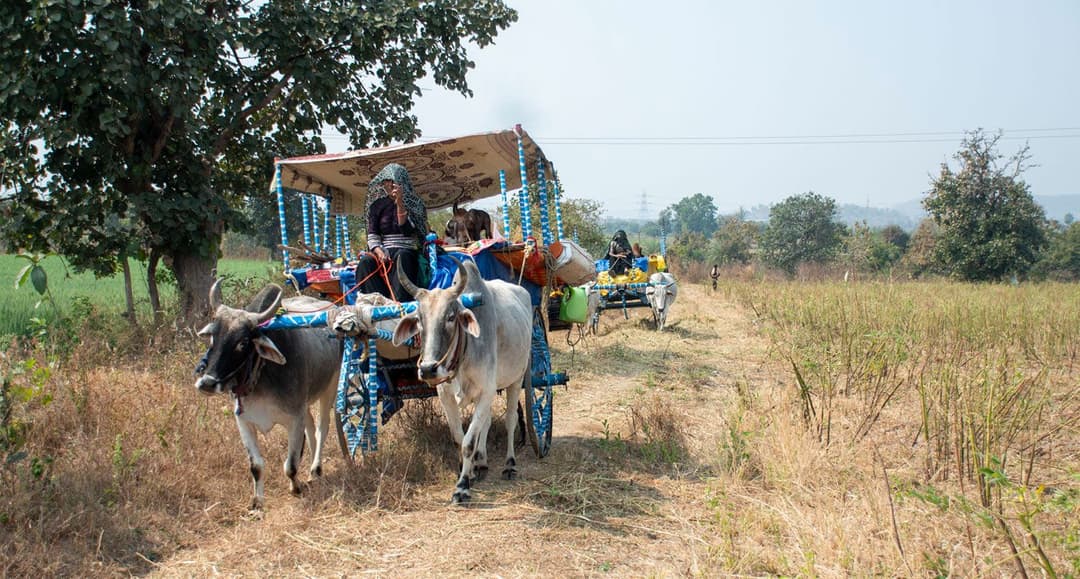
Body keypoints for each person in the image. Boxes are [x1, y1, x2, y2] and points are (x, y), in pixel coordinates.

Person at [354, 163, 429, 301]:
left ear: (402, 182)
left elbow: (406, 229)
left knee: (402, 257)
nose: (389, 185)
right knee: (366, 262)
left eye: (393, 181)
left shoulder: (415, 204)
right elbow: (373, 234)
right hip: (384, 250)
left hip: (407, 248)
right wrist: (379, 251)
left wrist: (400, 202)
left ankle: (399, 303)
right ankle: (373, 302)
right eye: (386, 181)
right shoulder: (377, 205)